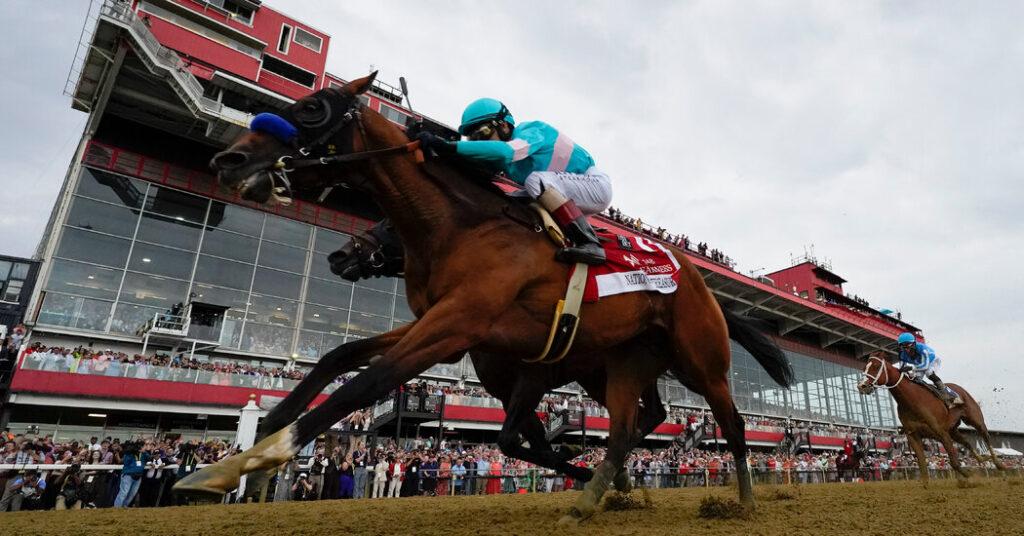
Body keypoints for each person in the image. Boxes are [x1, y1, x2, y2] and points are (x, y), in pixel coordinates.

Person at [415, 98, 611, 265]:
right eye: (472, 138)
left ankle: (590, 244)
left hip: (595, 185)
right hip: (565, 191)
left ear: (504, 125)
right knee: (506, 201)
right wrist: (436, 152)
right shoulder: (504, 158)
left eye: (481, 133)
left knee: (535, 180)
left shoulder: (531, 131)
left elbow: (506, 151)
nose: (477, 142)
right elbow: (473, 168)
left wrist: (447, 145)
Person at [895, 332, 962, 406]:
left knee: (929, 373)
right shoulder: (901, 354)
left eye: (908, 347)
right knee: (916, 380)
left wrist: (911, 368)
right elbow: (901, 369)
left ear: (913, 344)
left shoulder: (923, 349)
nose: (906, 350)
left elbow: (925, 366)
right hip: (919, 364)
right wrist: (908, 373)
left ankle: (950, 394)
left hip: (931, 362)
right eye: (904, 348)